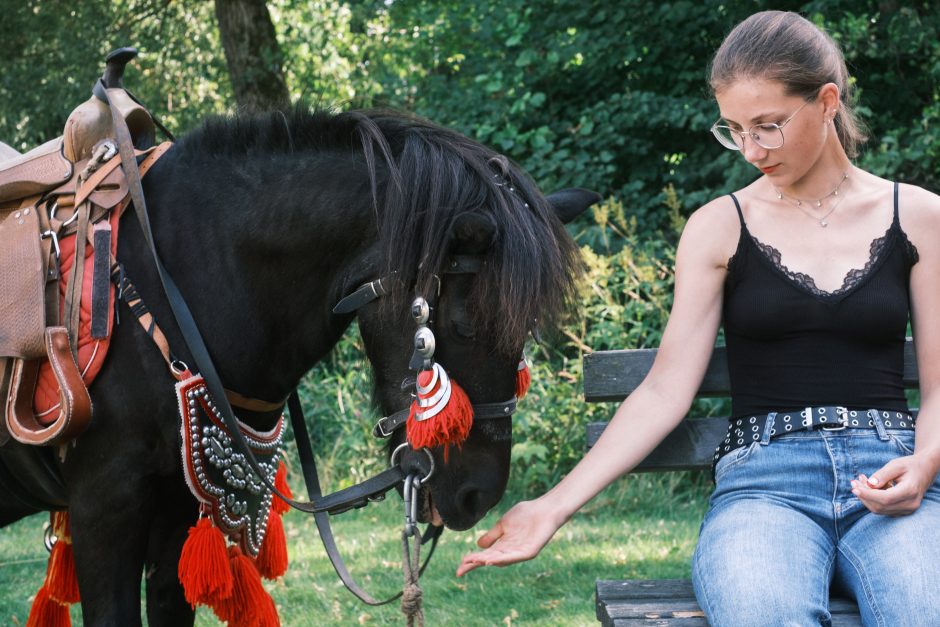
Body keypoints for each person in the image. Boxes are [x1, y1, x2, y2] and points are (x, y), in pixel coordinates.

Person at [456, 10, 940, 625]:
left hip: (893, 475)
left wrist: (925, 463)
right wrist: (551, 507)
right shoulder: (718, 226)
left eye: (768, 126)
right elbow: (664, 389)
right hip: (766, 487)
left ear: (826, 102)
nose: (750, 149)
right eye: (734, 129)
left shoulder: (919, 215)